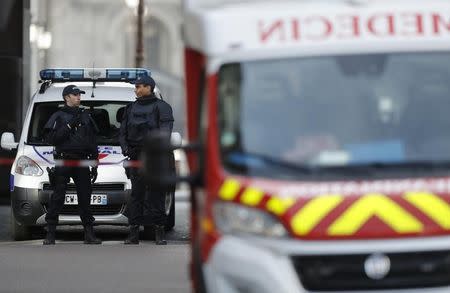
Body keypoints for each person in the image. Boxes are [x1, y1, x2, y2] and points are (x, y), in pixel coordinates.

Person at [42, 85, 101, 245]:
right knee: (58, 197)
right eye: (75, 95)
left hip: (82, 161)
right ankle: (51, 234)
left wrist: (95, 162)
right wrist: (69, 126)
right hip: (64, 160)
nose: (79, 97)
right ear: (66, 97)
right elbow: (51, 139)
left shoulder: (86, 116)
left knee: (85, 197)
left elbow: (92, 141)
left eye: (79, 95)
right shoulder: (58, 116)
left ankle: (89, 234)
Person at [119, 75, 174, 245]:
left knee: (156, 196)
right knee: (137, 196)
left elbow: (165, 133)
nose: (136, 89)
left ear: (149, 87)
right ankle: (133, 233)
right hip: (135, 157)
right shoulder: (130, 108)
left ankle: (159, 233)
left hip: (155, 158)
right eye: (136, 87)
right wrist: (126, 149)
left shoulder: (162, 107)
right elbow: (123, 133)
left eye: (140, 86)